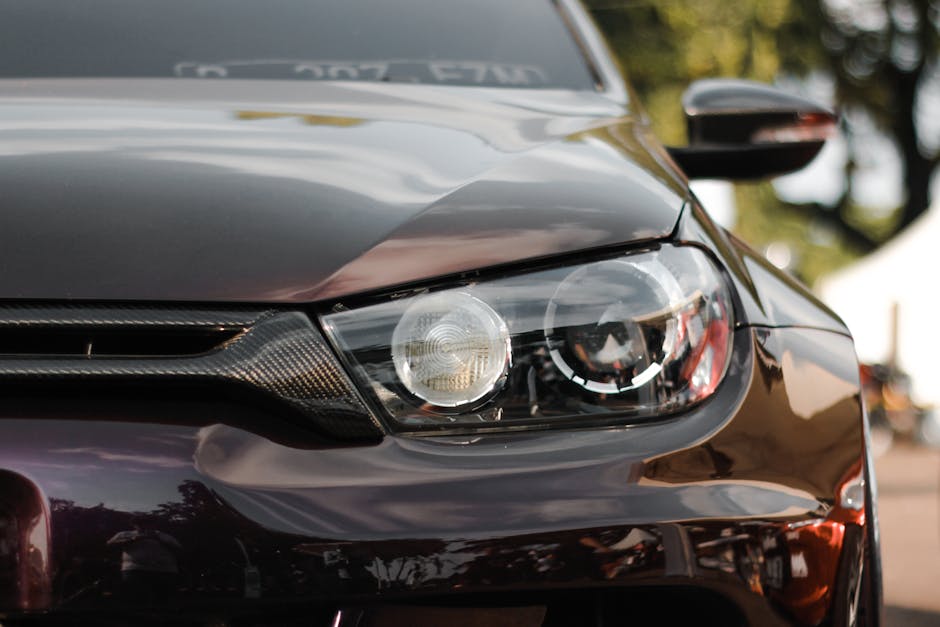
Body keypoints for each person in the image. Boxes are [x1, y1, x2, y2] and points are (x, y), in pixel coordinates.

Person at [106, 517, 181, 604]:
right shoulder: (125, 534)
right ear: (134, 525)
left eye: (147, 524)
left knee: (163, 599)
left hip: (164, 571)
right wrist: (133, 540)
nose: (144, 526)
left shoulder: (164, 536)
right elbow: (109, 545)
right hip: (135, 570)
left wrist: (159, 539)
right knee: (135, 598)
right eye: (140, 524)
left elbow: (179, 550)